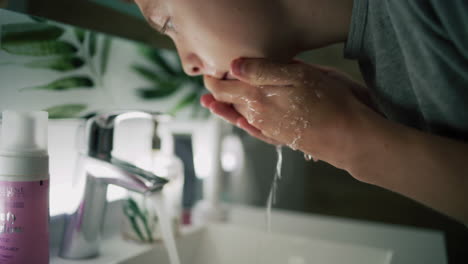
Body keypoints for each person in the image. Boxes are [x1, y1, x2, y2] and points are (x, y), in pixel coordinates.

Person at [132, 0, 468, 225]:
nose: (189, 65)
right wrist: (367, 117)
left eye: (169, 22)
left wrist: (351, 142)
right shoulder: (386, 62)